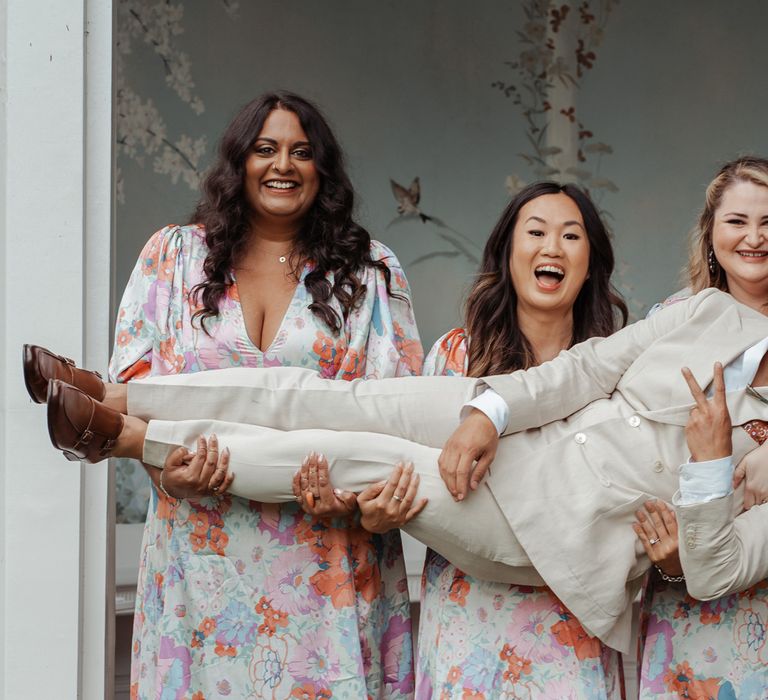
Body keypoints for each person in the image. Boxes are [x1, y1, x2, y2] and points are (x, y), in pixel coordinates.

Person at [29, 281, 768, 655]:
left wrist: (707, 469)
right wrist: (490, 413)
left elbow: (712, 570)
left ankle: (127, 439)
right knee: (346, 401)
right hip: (527, 438)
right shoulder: (712, 313)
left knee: (361, 457)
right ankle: (119, 390)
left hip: (557, 532)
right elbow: (581, 373)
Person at [28, 92, 424, 699]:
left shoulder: (369, 270)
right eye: (265, 149)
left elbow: (395, 412)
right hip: (200, 563)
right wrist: (168, 475)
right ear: (238, 162)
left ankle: (110, 418)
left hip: (327, 559)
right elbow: (140, 367)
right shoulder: (173, 257)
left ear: (325, 170)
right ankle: (111, 409)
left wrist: (349, 498)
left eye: (302, 152)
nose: (283, 165)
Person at [414, 182, 628, 699]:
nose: (551, 247)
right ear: (508, 252)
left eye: (571, 236)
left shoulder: (618, 372)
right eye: (535, 232)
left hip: (572, 628)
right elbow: (419, 474)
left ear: (591, 262)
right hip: (468, 624)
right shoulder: (456, 356)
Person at [633, 156, 768, 698]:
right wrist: (668, 564)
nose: (754, 238)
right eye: (737, 221)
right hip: (690, 618)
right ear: (710, 231)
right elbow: (640, 450)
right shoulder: (676, 319)